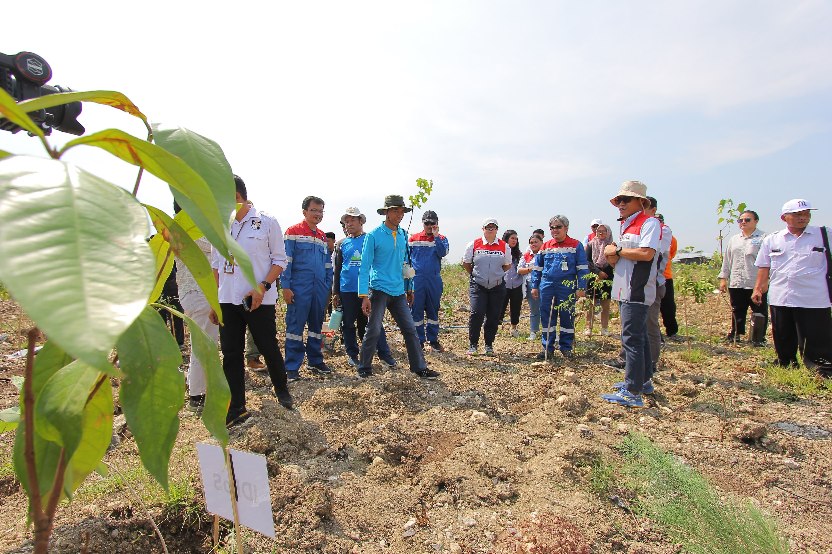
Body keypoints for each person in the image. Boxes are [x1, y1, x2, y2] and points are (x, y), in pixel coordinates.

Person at [210, 175, 293, 427]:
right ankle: (236, 407)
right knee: (231, 353)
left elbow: (280, 260)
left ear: (237, 197)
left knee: (268, 346)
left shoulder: (266, 222)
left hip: (258, 299)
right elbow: (216, 265)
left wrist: (262, 286)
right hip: (227, 300)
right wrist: (215, 300)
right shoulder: (220, 226)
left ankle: (282, 391)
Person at [358, 195, 439, 379]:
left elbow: (406, 264)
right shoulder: (374, 235)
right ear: (386, 212)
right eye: (395, 210)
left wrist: (409, 287)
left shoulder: (403, 235)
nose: (399, 214)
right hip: (378, 288)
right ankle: (364, 367)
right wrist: (364, 295)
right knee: (374, 329)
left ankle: (419, 367)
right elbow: (364, 267)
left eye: (401, 211)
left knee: (410, 329)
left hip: (398, 290)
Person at [752, 199, 832, 375]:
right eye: (797, 214)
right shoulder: (772, 239)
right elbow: (764, 265)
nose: (803, 217)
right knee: (782, 333)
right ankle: (786, 362)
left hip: (814, 296)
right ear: (784, 217)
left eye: (806, 214)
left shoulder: (824, 234)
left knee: (816, 334)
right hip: (782, 294)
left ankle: (820, 368)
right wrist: (758, 288)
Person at [600, 180, 661, 408]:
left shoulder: (650, 223)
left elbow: (646, 254)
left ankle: (632, 390)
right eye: (619, 200)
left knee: (631, 338)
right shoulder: (627, 225)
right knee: (640, 335)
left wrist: (617, 250)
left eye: (626, 200)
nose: (621, 204)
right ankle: (643, 381)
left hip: (638, 288)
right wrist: (614, 255)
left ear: (640, 202)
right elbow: (621, 257)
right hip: (625, 287)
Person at [332, 207, 398, 369]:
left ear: (361, 221)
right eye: (346, 221)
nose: (349, 224)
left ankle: (384, 354)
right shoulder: (341, 244)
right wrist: (336, 292)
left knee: (372, 322)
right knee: (347, 323)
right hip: (347, 289)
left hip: (368, 290)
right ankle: (352, 354)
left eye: (352, 220)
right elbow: (338, 268)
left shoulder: (371, 239)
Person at [281, 196, 334, 380]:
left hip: (318, 289)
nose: (317, 214)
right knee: (295, 327)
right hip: (299, 288)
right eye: (314, 210)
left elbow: (328, 265)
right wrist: (286, 287)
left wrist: (327, 286)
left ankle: (315, 361)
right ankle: (292, 367)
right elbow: (285, 261)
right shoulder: (293, 232)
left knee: (316, 326)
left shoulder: (321, 237)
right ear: (304, 212)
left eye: (320, 211)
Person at [173, 203, 217, 414]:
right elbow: (217, 247)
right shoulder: (187, 230)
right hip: (199, 294)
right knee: (204, 344)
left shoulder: (186, 229)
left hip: (198, 294)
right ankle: (197, 395)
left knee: (205, 343)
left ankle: (201, 390)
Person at [530, 215, 589, 360]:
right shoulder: (545, 246)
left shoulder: (576, 245)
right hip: (547, 285)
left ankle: (566, 347)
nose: (555, 230)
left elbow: (582, 268)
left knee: (566, 317)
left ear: (566, 228)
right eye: (552, 228)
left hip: (566, 286)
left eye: (558, 227)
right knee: (547, 318)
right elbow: (537, 268)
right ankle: (547, 349)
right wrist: (535, 286)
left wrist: (581, 287)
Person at [463, 218, 511, 355]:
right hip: (478, 285)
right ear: (483, 229)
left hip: (497, 286)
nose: (490, 229)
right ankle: (473, 344)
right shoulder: (474, 244)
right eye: (487, 227)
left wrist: (495, 274)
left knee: (493, 316)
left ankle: (489, 345)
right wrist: (475, 274)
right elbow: (467, 263)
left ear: (497, 230)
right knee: (477, 313)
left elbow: (507, 265)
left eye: (493, 227)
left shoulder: (504, 246)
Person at [718, 210, 767, 344]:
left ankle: (758, 338)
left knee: (759, 311)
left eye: (747, 220)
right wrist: (723, 279)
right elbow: (727, 260)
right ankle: (736, 334)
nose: (743, 222)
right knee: (737, 310)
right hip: (737, 282)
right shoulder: (734, 239)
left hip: (755, 282)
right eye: (741, 220)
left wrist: (765, 282)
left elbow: (769, 262)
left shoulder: (764, 238)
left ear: (756, 221)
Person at [409, 210, 449, 351]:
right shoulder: (413, 239)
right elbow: (407, 259)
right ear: (423, 223)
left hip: (434, 280)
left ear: (437, 224)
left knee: (433, 311)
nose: (430, 226)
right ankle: (418, 341)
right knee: (416, 310)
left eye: (433, 223)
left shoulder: (442, 238)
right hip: (417, 280)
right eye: (427, 223)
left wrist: (436, 237)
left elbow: (443, 253)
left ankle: (433, 340)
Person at [585, 223, 613, 336]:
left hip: (608, 276)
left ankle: (604, 328)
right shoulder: (591, 245)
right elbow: (587, 261)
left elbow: (615, 261)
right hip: (593, 276)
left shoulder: (612, 246)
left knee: (605, 304)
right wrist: (598, 272)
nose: (601, 233)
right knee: (590, 303)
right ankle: (588, 327)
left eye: (603, 231)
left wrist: (605, 272)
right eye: (599, 231)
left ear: (608, 232)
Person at [657, 213, 680, 339]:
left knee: (669, 306)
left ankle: (672, 331)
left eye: (660, 220)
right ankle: (655, 334)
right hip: (652, 277)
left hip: (666, 276)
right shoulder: (650, 235)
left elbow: (671, 254)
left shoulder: (671, 238)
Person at [517, 234, 543, 340]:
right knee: (534, 309)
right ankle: (533, 331)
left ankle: (550, 332)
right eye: (531, 243)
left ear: (541, 242)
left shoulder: (546, 254)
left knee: (546, 309)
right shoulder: (527, 255)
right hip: (531, 285)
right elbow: (519, 270)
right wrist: (531, 269)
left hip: (545, 284)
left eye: (536, 242)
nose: (533, 244)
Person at [500, 229, 524, 338]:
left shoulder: (519, 254)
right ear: (506, 239)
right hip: (503, 284)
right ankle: (495, 326)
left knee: (516, 307)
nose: (514, 241)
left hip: (516, 284)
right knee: (500, 306)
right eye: (512, 238)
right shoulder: (500, 252)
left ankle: (513, 328)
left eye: (516, 238)